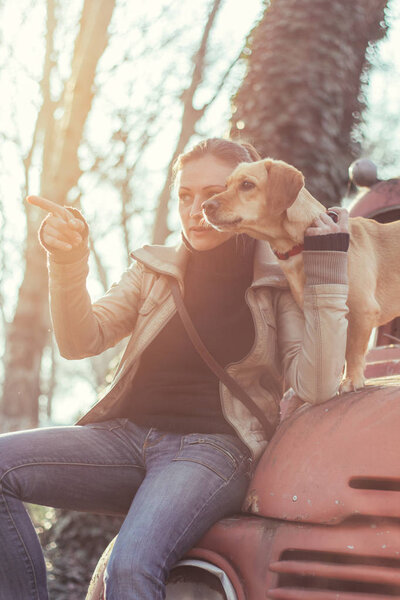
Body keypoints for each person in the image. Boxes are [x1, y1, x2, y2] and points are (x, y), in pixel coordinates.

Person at [0, 138, 350, 600]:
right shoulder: (154, 268)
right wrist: (67, 262)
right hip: (122, 439)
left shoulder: (278, 278)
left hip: (211, 450)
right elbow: (79, 340)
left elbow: (319, 385)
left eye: (212, 192)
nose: (196, 208)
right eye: (184, 195)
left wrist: (327, 276)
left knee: (130, 566)